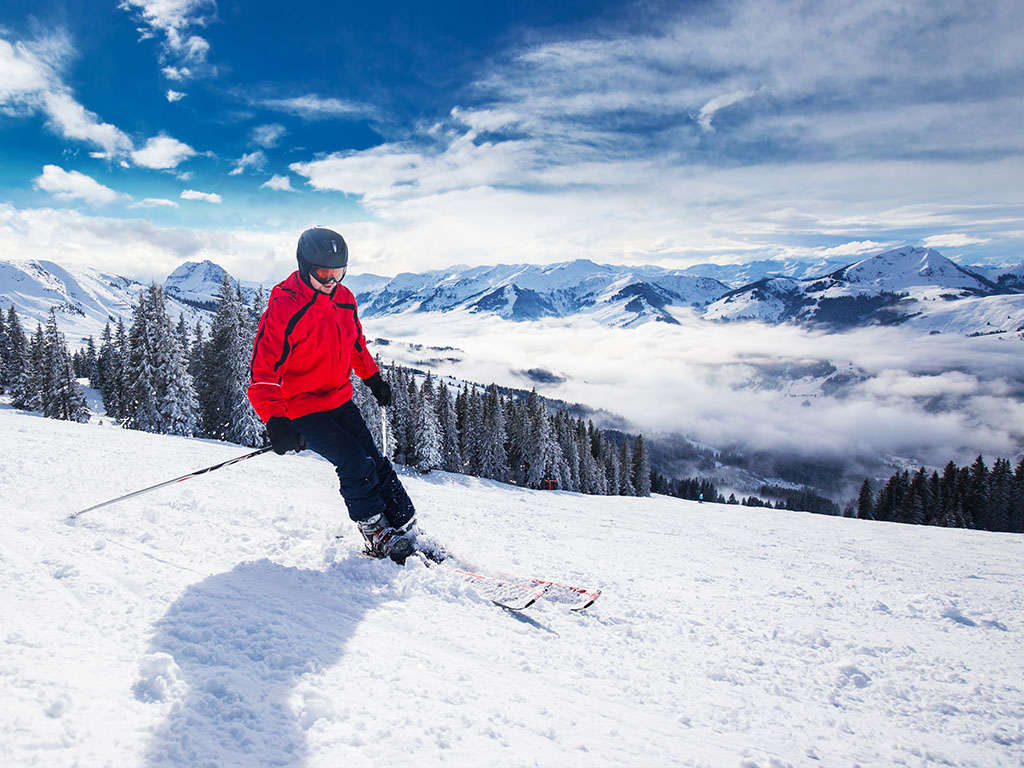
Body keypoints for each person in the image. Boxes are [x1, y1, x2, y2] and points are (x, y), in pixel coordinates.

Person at [248, 226, 418, 563]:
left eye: (338, 272)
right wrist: (276, 420)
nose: (331, 280)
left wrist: (374, 379)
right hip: (301, 409)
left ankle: (403, 523)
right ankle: (375, 533)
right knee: (355, 464)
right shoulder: (285, 307)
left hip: (339, 398)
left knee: (375, 459)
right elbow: (263, 373)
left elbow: (356, 345)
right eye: (324, 273)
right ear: (304, 266)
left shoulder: (344, 299)